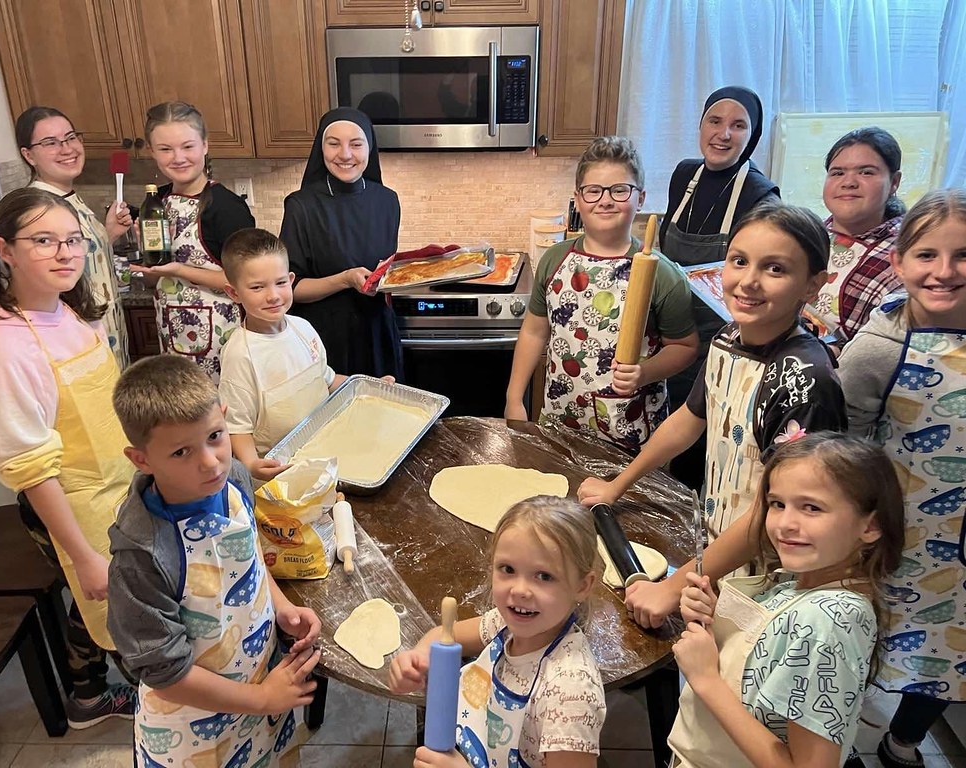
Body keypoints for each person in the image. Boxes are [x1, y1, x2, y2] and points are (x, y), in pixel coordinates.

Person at [579, 201, 847, 555]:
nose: (749, 281)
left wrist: (684, 582)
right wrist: (617, 486)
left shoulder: (803, 380)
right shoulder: (728, 339)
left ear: (813, 285)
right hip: (716, 543)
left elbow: (781, 510)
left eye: (775, 269)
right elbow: (688, 421)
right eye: (739, 261)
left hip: (771, 564)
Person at [0, 187, 136, 728]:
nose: (65, 253)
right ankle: (153, 705)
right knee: (113, 600)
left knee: (106, 597)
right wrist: (82, 554)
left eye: (72, 240)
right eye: (43, 240)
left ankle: (85, 693)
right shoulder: (2, 345)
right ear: (5, 249)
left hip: (117, 486)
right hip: (71, 504)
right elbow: (31, 465)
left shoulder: (66, 312)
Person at [107, 354, 322, 766]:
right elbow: (167, 675)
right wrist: (259, 698)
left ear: (224, 418)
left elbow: (250, 558)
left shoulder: (235, 479)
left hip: (259, 693)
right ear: (141, 459)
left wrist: (281, 607)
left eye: (215, 437)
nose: (210, 462)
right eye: (181, 452)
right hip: (191, 730)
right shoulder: (143, 556)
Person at [669, 432, 904, 767]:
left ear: (871, 525)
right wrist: (713, 614)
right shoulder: (807, 582)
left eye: (811, 507)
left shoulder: (829, 620)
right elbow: (768, 654)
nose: (785, 524)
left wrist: (706, 679)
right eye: (777, 504)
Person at [836, 189, 966, 768]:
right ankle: (833, 739)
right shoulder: (878, 348)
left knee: (948, 657)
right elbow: (844, 450)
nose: (944, 272)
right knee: (859, 645)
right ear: (898, 261)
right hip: (891, 537)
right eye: (926, 256)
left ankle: (903, 743)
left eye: (963, 256)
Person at [504, 136, 699, 451]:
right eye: (593, 190)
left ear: (640, 198)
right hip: (559, 423)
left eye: (619, 190)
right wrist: (515, 397)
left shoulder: (660, 273)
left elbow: (685, 347)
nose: (605, 200)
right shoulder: (554, 260)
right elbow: (534, 331)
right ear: (578, 200)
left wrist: (645, 372)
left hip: (632, 434)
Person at [389, 496, 606, 768]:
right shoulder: (506, 623)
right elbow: (445, 635)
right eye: (508, 569)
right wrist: (418, 659)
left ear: (583, 586)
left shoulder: (569, 695)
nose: (519, 590)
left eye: (544, 576)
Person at [660, 86, 780, 490]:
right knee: (668, 447)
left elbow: (764, 281)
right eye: (715, 121)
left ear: (753, 136)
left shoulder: (761, 195)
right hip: (672, 339)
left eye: (738, 125)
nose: (723, 133)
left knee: (705, 457)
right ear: (700, 125)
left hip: (724, 346)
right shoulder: (683, 176)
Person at [219, 228, 386, 480]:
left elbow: (326, 380)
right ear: (234, 293)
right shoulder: (240, 354)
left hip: (322, 451)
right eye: (257, 287)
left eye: (281, 283)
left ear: (291, 279)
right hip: (280, 471)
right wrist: (251, 463)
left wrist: (371, 387)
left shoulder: (303, 328)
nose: (273, 295)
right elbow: (237, 426)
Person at [132, 101, 255, 383]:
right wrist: (152, 260)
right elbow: (156, 282)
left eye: (188, 146)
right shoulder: (156, 203)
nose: (178, 157)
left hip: (222, 340)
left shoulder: (226, 207)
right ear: (152, 151)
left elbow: (245, 281)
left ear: (205, 145)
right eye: (165, 149)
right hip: (172, 336)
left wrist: (176, 269)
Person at [280, 107, 403, 380]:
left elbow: (385, 269)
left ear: (369, 149)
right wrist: (346, 279)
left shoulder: (388, 201)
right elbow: (290, 288)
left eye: (356, 144)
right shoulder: (301, 206)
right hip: (324, 339)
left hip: (377, 332)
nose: (345, 154)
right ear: (320, 148)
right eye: (333, 143)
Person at [16, 105, 132, 369]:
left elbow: (76, 261)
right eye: (50, 143)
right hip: (78, 348)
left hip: (107, 339)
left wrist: (107, 234)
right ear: (28, 155)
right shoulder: (37, 209)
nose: (67, 148)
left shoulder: (67, 199)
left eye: (71, 137)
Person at [813, 127, 905, 346]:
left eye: (866, 172)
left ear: (894, 182)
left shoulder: (909, 255)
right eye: (837, 173)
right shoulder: (805, 234)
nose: (849, 182)